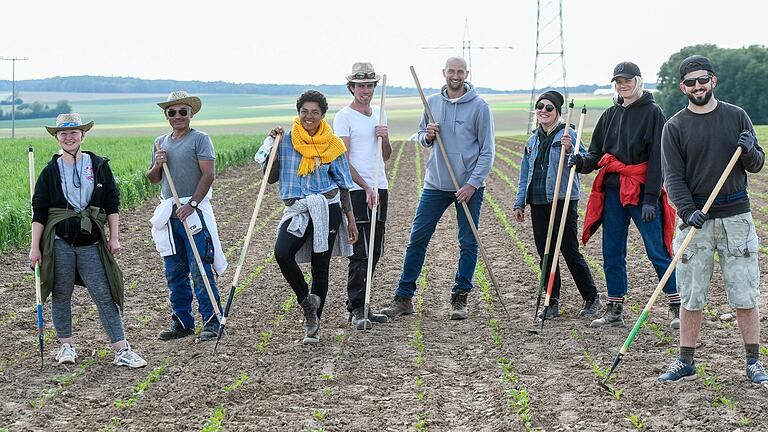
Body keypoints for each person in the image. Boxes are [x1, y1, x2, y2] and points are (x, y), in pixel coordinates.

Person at [658, 55, 767, 384]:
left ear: (713, 80)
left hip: (737, 220)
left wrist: (749, 150)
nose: (697, 86)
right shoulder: (675, 126)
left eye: (702, 79)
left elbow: (757, 164)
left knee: (744, 294)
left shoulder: (737, 116)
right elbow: (673, 178)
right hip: (696, 222)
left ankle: (753, 362)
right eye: (690, 82)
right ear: (682, 87)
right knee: (691, 295)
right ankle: (685, 360)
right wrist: (688, 211)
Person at [381, 56, 494, 321]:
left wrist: (471, 184)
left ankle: (460, 297)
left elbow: (487, 152)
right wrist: (428, 136)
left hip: (468, 186)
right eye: (451, 71)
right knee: (417, 238)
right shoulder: (431, 103)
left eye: (460, 71)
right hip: (435, 184)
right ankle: (404, 297)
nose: (455, 75)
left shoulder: (480, 107)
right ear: (444, 72)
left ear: (467, 73)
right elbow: (421, 138)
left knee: (468, 242)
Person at [29, 113, 147, 368]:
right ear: (57, 138)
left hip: (91, 241)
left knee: (103, 293)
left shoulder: (98, 165)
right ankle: (66, 347)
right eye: (63, 134)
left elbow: (112, 203)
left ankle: (122, 349)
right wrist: (34, 247)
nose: (69, 138)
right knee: (61, 294)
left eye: (74, 133)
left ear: (83, 135)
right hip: (59, 241)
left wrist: (114, 237)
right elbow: (39, 210)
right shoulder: (50, 171)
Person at [568, 62, 680, 329]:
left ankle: (677, 306)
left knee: (657, 250)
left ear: (638, 81)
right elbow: (596, 154)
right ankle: (615, 309)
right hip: (613, 192)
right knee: (612, 251)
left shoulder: (653, 113)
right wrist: (582, 162)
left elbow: (658, 159)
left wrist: (652, 198)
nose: (622, 85)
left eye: (627, 80)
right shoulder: (609, 115)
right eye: (618, 81)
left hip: (642, 192)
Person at [256, 90, 358, 344]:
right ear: (298, 113)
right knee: (282, 253)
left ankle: (314, 325)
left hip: (327, 206)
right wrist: (272, 144)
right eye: (304, 112)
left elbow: (343, 184)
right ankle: (307, 302)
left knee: (320, 266)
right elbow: (270, 177)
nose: (308, 117)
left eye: (314, 112)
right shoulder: (287, 140)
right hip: (298, 208)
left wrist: (351, 219)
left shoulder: (333, 144)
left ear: (323, 115)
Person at [147, 91, 227, 342]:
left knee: (200, 267)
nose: (178, 116)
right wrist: (158, 164)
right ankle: (181, 322)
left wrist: (192, 203)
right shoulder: (160, 143)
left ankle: (213, 321)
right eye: (173, 112)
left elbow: (209, 174)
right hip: (169, 213)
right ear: (166, 115)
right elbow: (153, 178)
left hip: (193, 213)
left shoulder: (200, 139)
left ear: (191, 113)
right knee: (174, 270)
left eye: (183, 111)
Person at [513, 91, 599, 320]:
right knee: (545, 253)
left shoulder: (568, 134)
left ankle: (591, 297)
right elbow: (524, 174)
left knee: (569, 250)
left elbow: (585, 160)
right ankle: (551, 300)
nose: (543, 111)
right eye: (540, 106)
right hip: (538, 201)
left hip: (562, 198)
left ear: (558, 112)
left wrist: (571, 150)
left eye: (549, 108)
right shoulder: (532, 140)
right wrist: (519, 202)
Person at [332, 62, 391, 330]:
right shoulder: (344, 117)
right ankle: (355, 307)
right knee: (360, 250)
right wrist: (366, 187)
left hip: (381, 186)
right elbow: (343, 161)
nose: (365, 90)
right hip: (357, 190)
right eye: (360, 86)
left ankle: (366, 303)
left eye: (369, 85)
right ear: (351, 87)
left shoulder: (379, 113)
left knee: (376, 249)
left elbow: (386, 155)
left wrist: (384, 136)